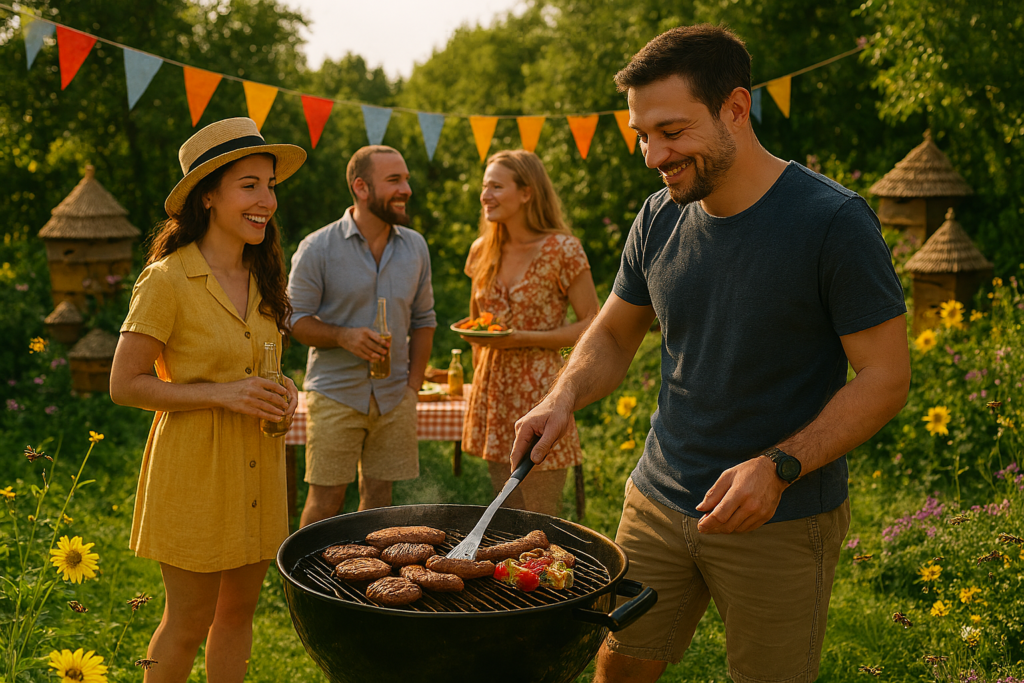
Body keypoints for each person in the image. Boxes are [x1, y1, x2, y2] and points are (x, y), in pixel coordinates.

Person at [511, 25, 910, 683]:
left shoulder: (833, 222)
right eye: (642, 135)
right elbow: (612, 334)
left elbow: (887, 376)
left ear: (734, 108)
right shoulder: (658, 216)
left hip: (781, 515)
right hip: (658, 496)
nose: (651, 154)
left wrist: (779, 465)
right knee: (617, 668)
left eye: (671, 131)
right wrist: (561, 397)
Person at [109, 117, 305, 682]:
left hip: (258, 467)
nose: (266, 200)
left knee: (238, 613)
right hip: (195, 469)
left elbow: (257, 366)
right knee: (189, 619)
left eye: (269, 185)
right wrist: (225, 395)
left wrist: (282, 390)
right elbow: (125, 385)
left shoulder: (264, 274)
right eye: (250, 185)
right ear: (209, 195)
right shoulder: (166, 280)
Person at [288, 145, 436, 526]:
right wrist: (342, 336)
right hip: (335, 393)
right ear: (361, 187)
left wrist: (413, 388)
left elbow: (425, 320)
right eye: (394, 180)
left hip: (393, 397)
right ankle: (304, 585)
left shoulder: (415, 246)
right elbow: (294, 320)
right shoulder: (317, 247)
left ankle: (363, 583)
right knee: (326, 501)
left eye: (405, 178)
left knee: (380, 502)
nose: (406, 188)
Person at [460, 150, 600, 516]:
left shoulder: (562, 249)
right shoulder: (481, 251)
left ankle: (546, 574)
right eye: (484, 186)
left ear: (526, 193)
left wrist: (523, 338)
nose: (485, 195)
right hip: (493, 394)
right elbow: (478, 323)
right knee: (502, 514)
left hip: (542, 393)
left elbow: (593, 323)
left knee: (540, 519)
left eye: (496, 186)